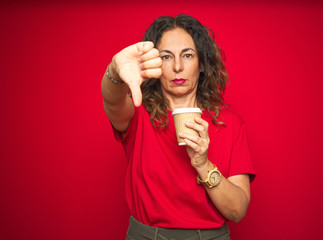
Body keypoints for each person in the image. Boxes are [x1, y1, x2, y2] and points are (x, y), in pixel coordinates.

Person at [101, 14, 256, 240]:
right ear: (154, 65)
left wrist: (202, 164)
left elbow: (237, 210)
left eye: (188, 55)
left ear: (202, 63)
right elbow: (112, 100)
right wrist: (115, 70)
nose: (177, 67)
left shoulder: (229, 123)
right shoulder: (138, 114)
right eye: (166, 57)